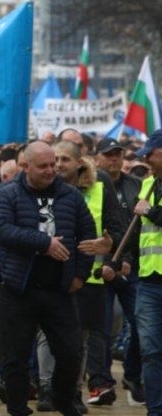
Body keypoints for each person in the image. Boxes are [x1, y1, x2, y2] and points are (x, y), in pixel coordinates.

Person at [0, 141, 96, 416]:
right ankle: (17, 408)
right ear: (26, 167)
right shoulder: (7, 194)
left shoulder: (71, 196)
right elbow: (1, 229)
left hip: (59, 290)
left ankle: (63, 400)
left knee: (71, 352)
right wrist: (43, 243)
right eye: (44, 166)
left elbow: (87, 236)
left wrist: (80, 275)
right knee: (15, 357)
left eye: (53, 165)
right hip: (19, 289)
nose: (52, 170)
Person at [34, 140, 123, 412]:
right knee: (46, 336)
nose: (58, 165)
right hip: (50, 275)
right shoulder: (42, 188)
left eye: (64, 160)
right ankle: (47, 389)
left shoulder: (100, 187)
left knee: (79, 339)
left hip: (88, 278)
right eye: (55, 159)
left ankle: (72, 391)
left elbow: (116, 230)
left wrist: (108, 251)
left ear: (79, 162)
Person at [93, 137, 144, 403]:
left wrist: (127, 258)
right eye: (108, 155)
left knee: (140, 324)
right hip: (101, 268)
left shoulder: (135, 185)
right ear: (96, 158)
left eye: (117, 154)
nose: (114, 159)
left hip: (131, 268)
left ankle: (133, 372)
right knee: (101, 327)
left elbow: (136, 228)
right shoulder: (91, 186)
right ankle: (102, 381)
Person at [131, 129, 162, 416]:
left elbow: (151, 217)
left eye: (150, 155)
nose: (146, 160)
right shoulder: (147, 184)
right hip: (149, 281)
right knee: (151, 352)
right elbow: (139, 233)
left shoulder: (148, 198)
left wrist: (151, 212)